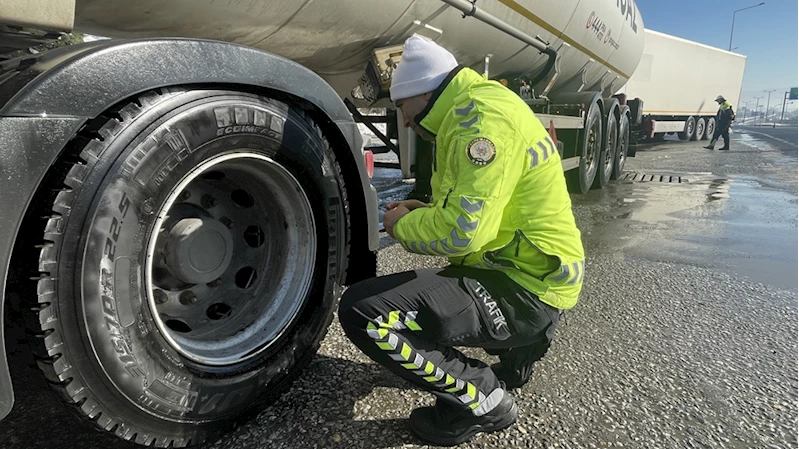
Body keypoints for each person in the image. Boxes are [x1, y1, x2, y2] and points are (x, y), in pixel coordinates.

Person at [338, 35, 584, 446]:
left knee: (366, 312)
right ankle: (519, 351)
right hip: (535, 274)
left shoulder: (479, 124)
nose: (406, 121)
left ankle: (483, 398)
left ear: (423, 92)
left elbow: (462, 233)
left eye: (402, 107)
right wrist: (425, 211)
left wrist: (401, 227)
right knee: (439, 285)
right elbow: (480, 206)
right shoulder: (475, 107)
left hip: (525, 291)